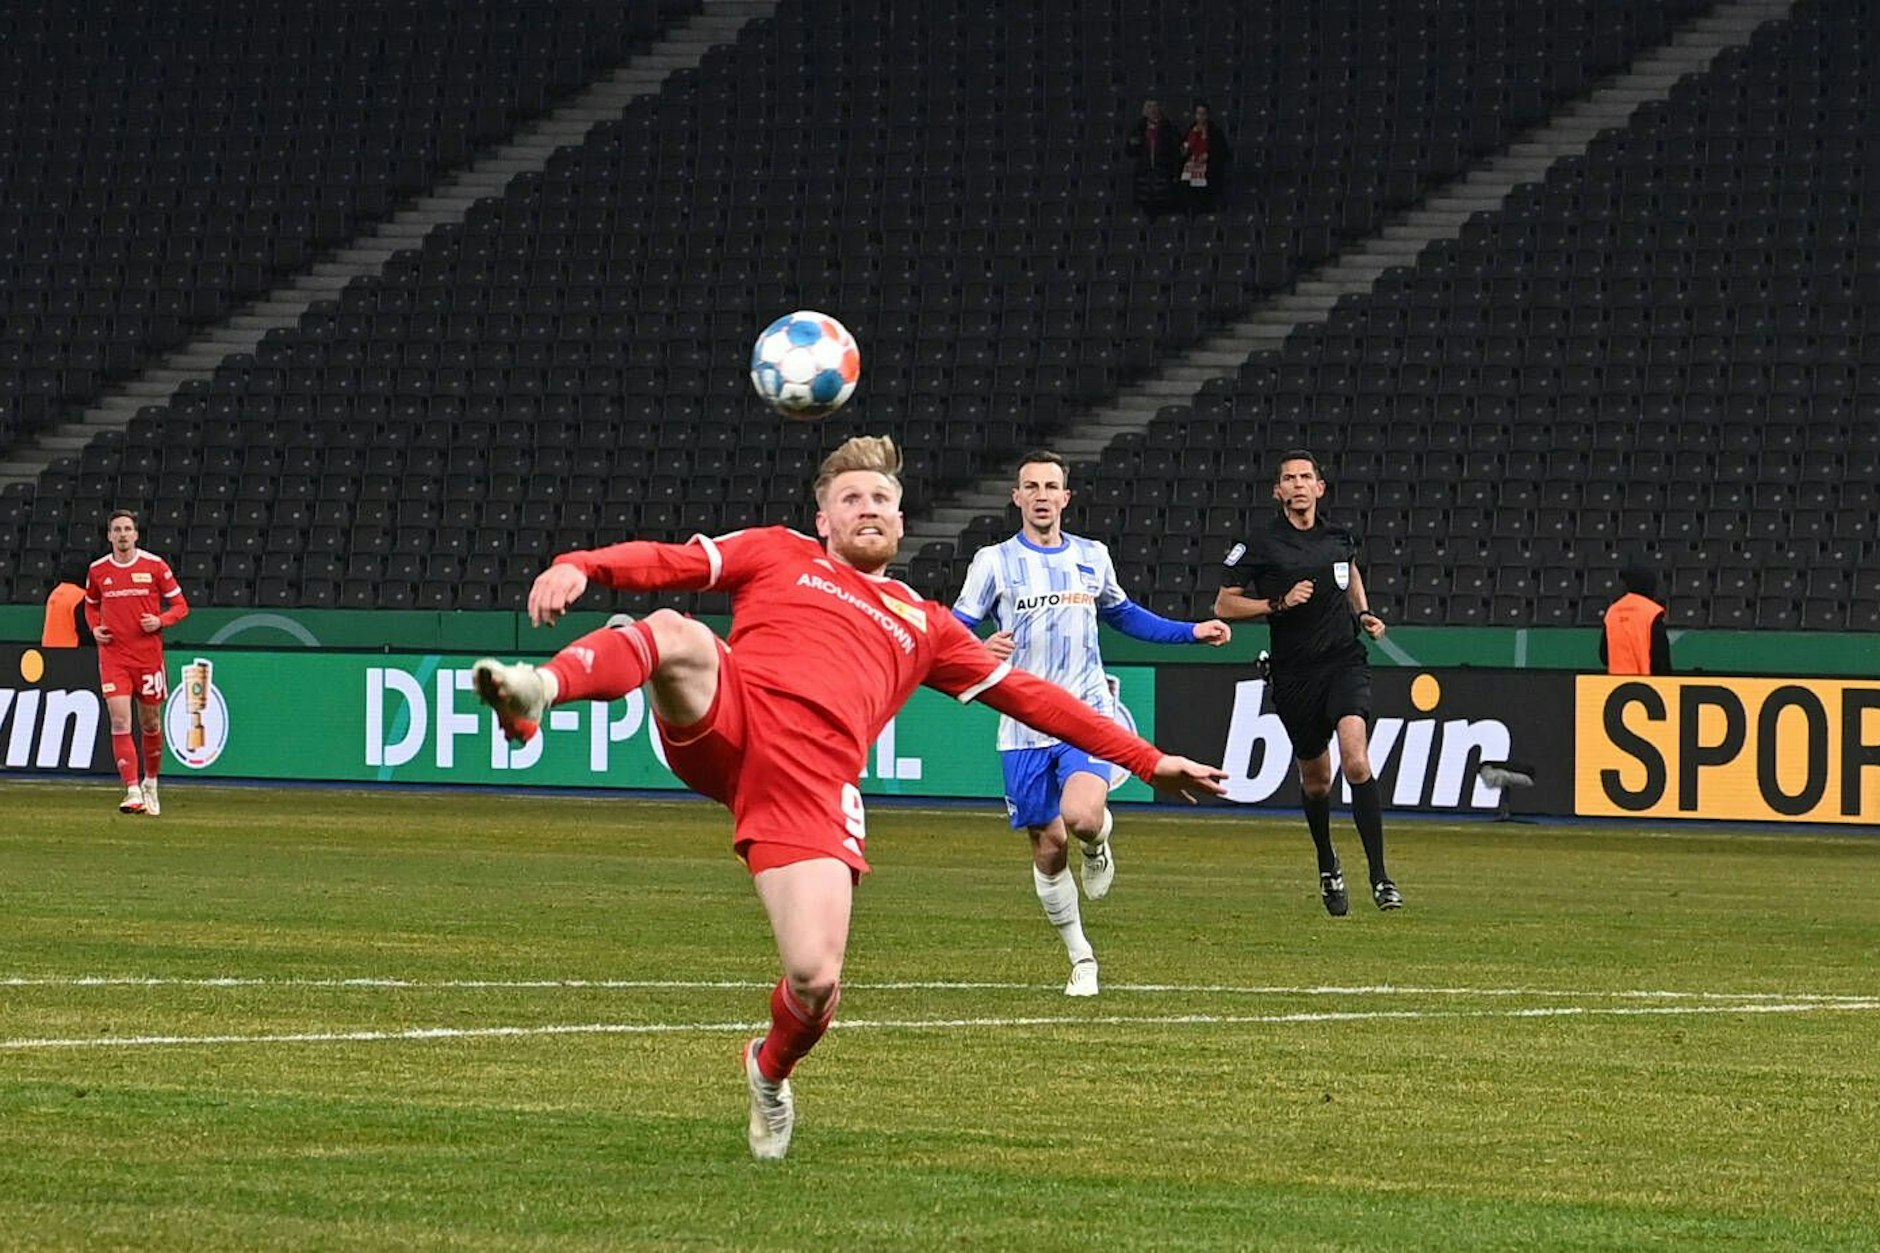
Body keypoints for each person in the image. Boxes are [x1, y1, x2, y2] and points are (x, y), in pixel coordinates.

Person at [470, 435, 1226, 1161]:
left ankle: (769, 1070)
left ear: (900, 522)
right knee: (676, 631)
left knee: (815, 975)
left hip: (808, 785)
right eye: (851, 496)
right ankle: (541, 688)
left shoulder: (923, 624)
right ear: (823, 518)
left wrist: (1149, 757)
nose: (867, 507)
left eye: (881, 499)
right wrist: (582, 563)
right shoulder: (777, 551)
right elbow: (670, 560)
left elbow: (1039, 699)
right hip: (730, 715)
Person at [951, 451, 1231, 996]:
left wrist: (1190, 632)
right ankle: (1082, 957)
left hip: (1086, 711)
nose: (1040, 495)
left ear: (1065, 498)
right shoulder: (993, 562)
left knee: (1080, 818)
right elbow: (954, 631)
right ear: (1017, 498)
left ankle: (1098, 840)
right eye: (1030, 486)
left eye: (1050, 486)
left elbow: (1123, 614)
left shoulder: (1092, 556)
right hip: (1022, 722)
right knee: (1047, 846)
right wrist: (978, 647)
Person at [1211, 450, 1401, 916]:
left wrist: (1363, 613)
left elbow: (1349, 570)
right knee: (1317, 782)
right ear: (1279, 491)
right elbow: (1224, 606)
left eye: (1306, 477)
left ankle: (1381, 878)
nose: (1298, 485)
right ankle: (1327, 864)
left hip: (1344, 662)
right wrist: (1277, 603)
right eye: (1289, 479)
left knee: (1356, 760)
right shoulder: (1261, 544)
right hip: (1295, 674)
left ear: (1320, 487)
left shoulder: (1338, 535)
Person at [84, 509, 190, 815]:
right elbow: (91, 606)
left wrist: (160, 620)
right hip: (114, 655)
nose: (122, 534)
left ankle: (151, 784)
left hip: (147, 657)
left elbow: (181, 607)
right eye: (116, 529)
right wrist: (95, 628)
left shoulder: (154, 566)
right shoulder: (97, 570)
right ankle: (131, 790)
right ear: (109, 536)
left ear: (136, 534)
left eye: (127, 529)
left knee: (151, 722)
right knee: (119, 720)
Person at [1599, 561, 1673, 675]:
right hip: (1647, 685)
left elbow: (1604, 656)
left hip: (1616, 685)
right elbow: (1661, 658)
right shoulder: (1652, 612)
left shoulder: (1612, 612)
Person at [1125, 98, 1183, 219]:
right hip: (1144, 180)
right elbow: (1130, 151)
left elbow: (1177, 152)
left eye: (1154, 107)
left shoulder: (1169, 129)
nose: (1152, 110)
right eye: (1149, 107)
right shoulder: (1138, 130)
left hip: (1164, 177)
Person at [1178, 99, 1232, 213]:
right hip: (1190, 171)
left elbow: (1223, 153)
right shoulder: (1189, 131)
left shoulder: (1215, 132)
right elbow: (1183, 150)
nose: (1201, 117)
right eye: (1198, 114)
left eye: (1203, 114)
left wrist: (1209, 156)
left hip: (1209, 173)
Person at [41, 576, 91, 647]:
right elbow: (84, 630)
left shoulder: (55, 592)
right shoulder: (80, 596)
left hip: (49, 650)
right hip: (72, 651)